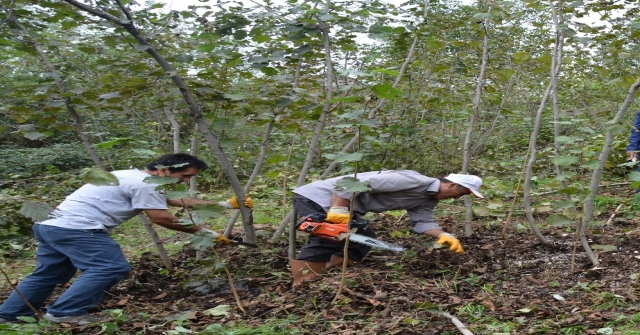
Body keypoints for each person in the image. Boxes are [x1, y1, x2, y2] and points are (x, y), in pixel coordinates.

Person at [0, 153, 253, 325]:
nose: (186, 181)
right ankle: (64, 313)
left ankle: (10, 315)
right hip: (77, 228)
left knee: (49, 274)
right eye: (184, 176)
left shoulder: (130, 176)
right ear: (165, 170)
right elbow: (161, 217)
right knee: (111, 267)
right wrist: (206, 234)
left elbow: (177, 201)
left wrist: (224, 204)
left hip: (49, 225)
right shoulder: (146, 184)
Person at [289, 170, 483, 286]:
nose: (459, 198)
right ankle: (303, 282)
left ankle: (325, 269)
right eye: (462, 193)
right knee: (327, 237)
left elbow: (423, 222)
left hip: (347, 208)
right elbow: (347, 183)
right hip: (318, 198)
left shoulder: (427, 200)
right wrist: (338, 210)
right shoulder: (413, 181)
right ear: (451, 185)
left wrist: (444, 235)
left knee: (362, 242)